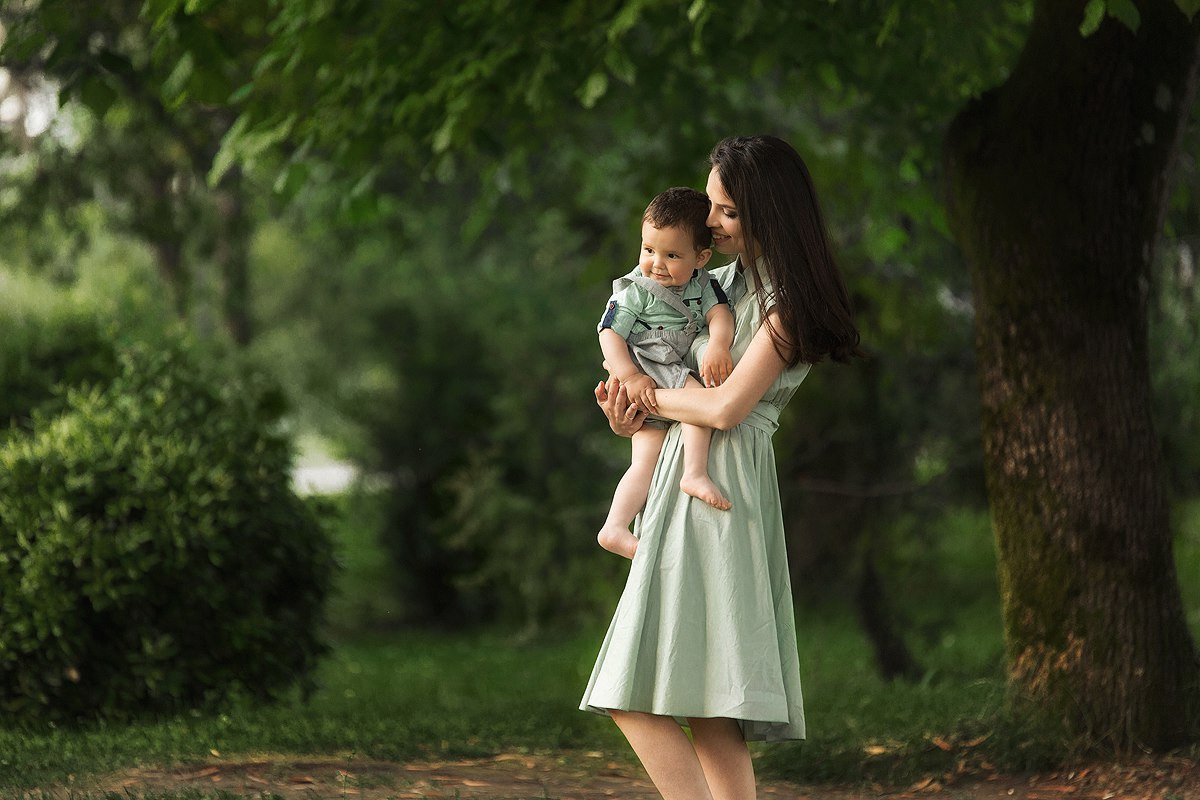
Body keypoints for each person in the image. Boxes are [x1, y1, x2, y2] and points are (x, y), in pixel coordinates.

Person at [580, 135, 862, 800]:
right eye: (710, 206)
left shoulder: (785, 303)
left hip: (718, 480)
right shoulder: (715, 282)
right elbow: (647, 353)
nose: (710, 223)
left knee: (644, 693)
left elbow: (728, 406)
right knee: (702, 698)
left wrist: (652, 399)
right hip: (681, 463)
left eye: (728, 212)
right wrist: (629, 410)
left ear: (772, 214)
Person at [596, 187, 736, 560]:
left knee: (646, 457)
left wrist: (719, 345)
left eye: (671, 255)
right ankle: (693, 472)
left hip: (663, 371)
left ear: (701, 257)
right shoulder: (635, 290)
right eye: (648, 250)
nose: (656, 263)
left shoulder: (702, 284)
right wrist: (629, 376)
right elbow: (609, 333)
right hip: (647, 366)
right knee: (699, 403)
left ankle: (614, 528)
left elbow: (719, 315)